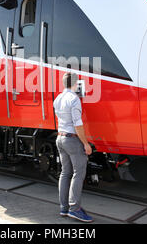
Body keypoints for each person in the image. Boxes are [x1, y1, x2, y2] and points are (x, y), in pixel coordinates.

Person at [53, 72, 93, 223]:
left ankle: (64, 207)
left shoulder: (58, 98)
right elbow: (78, 124)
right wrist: (85, 143)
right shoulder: (74, 99)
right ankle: (75, 209)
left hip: (60, 138)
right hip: (72, 140)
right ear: (76, 84)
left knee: (65, 173)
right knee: (78, 173)